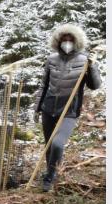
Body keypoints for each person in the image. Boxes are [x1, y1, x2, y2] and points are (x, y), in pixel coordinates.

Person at [35, 24, 101, 192]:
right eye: (64, 39)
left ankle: (50, 177)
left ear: (76, 41)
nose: (67, 43)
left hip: (69, 111)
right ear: (58, 41)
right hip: (49, 109)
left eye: (70, 40)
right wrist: (38, 107)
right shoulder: (51, 59)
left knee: (57, 144)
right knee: (49, 146)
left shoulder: (84, 60)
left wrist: (92, 67)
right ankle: (51, 174)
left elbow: (95, 85)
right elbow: (44, 85)